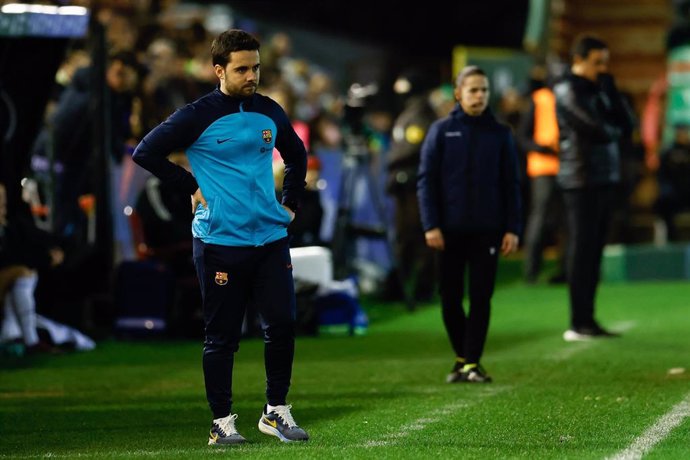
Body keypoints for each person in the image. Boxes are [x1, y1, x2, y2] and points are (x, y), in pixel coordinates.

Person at [132, 29, 309, 445]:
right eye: (242, 69)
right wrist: (191, 184)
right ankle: (221, 423)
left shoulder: (270, 110)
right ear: (219, 70)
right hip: (219, 241)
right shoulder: (196, 115)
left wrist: (291, 204)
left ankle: (275, 411)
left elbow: (296, 155)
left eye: (256, 68)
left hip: (269, 236)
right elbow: (145, 152)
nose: (252, 76)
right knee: (222, 337)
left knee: (281, 324)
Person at [417, 66, 522, 383]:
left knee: (480, 297)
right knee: (449, 299)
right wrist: (430, 224)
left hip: (487, 231)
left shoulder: (501, 133)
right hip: (447, 232)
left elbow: (512, 184)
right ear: (458, 92)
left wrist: (513, 228)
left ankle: (471, 362)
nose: (479, 96)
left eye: (484, 90)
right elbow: (426, 181)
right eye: (473, 90)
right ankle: (464, 358)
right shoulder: (440, 130)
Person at [554, 34, 634, 341]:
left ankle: (588, 318)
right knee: (582, 248)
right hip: (580, 179)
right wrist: (612, 127)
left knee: (595, 249)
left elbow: (627, 126)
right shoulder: (566, 89)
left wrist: (613, 95)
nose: (602, 68)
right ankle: (578, 320)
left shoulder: (600, 88)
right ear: (579, 60)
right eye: (597, 62)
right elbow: (597, 129)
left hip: (604, 177)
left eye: (605, 62)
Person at [385, 69, 439, 303]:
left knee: (418, 235)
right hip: (408, 182)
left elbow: (411, 147)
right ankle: (404, 285)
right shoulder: (413, 112)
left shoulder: (420, 114)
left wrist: (390, 161)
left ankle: (421, 287)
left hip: (416, 182)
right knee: (408, 236)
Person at [517, 78, 567, 284]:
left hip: (566, 167)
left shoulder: (566, 99)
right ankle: (531, 271)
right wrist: (543, 148)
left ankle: (565, 269)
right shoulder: (540, 99)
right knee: (540, 218)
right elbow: (523, 136)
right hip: (543, 168)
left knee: (566, 221)